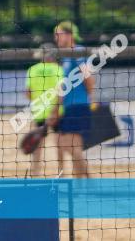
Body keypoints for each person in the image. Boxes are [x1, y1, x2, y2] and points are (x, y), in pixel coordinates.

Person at [54, 21, 93, 178]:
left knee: (70, 147)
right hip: (71, 106)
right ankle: (85, 180)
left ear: (69, 35)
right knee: (67, 146)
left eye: (59, 34)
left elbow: (88, 78)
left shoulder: (77, 52)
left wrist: (89, 98)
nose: (56, 38)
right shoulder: (66, 57)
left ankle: (85, 181)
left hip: (78, 105)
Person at [26, 42, 64, 178]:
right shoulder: (58, 69)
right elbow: (61, 92)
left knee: (37, 148)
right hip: (56, 113)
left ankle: (35, 176)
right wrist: (55, 111)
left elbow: (28, 93)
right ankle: (62, 176)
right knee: (60, 146)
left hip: (39, 113)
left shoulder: (32, 69)